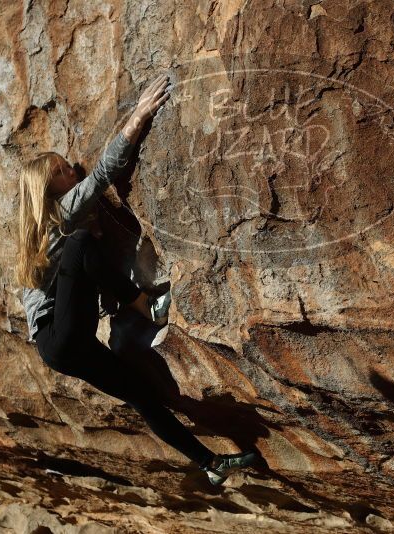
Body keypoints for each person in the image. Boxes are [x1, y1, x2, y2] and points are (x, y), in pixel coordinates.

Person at [15, 72, 257, 485]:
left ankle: (210, 465)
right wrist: (138, 116)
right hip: (60, 336)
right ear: (47, 187)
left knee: (143, 396)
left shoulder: (39, 234)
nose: (72, 170)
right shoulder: (61, 214)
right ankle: (147, 307)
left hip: (62, 347)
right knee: (79, 245)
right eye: (62, 170)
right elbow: (103, 174)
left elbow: (70, 285)